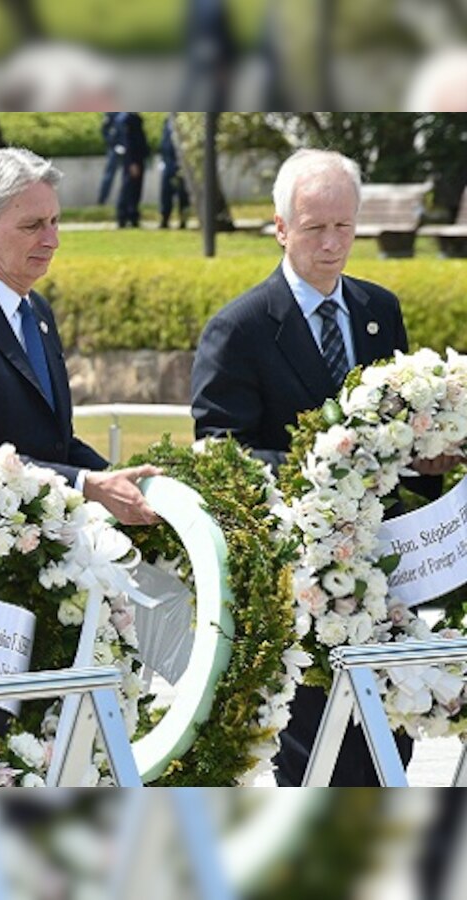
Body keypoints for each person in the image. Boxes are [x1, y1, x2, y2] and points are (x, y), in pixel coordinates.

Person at [191, 148, 454, 785]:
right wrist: (332, 468)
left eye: (344, 226)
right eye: (315, 228)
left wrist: (431, 458)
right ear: (281, 228)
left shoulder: (378, 308)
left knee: (393, 743)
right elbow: (219, 449)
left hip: (387, 571)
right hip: (302, 581)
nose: (333, 243)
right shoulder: (241, 328)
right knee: (318, 753)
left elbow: (400, 427)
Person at [0, 147, 158, 528]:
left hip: (48, 539)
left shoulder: (36, 310)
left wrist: (122, 479)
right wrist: (87, 484)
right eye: (33, 226)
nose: (52, 240)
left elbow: (56, 443)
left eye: (55, 222)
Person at [114, 112, 148, 229]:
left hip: (131, 159)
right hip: (133, 159)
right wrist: (133, 162)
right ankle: (127, 215)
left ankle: (126, 215)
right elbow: (129, 142)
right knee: (131, 189)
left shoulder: (124, 118)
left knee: (130, 188)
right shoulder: (130, 119)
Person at [159, 116, 189, 229]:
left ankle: (183, 220)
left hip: (180, 163)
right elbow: (164, 144)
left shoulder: (183, 121)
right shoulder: (167, 121)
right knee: (166, 193)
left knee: (182, 194)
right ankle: (165, 219)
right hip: (168, 163)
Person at [97, 112, 120, 205]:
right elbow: (104, 130)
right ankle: (102, 200)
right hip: (114, 148)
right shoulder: (112, 113)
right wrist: (113, 143)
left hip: (128, 147)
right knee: (109, 175)